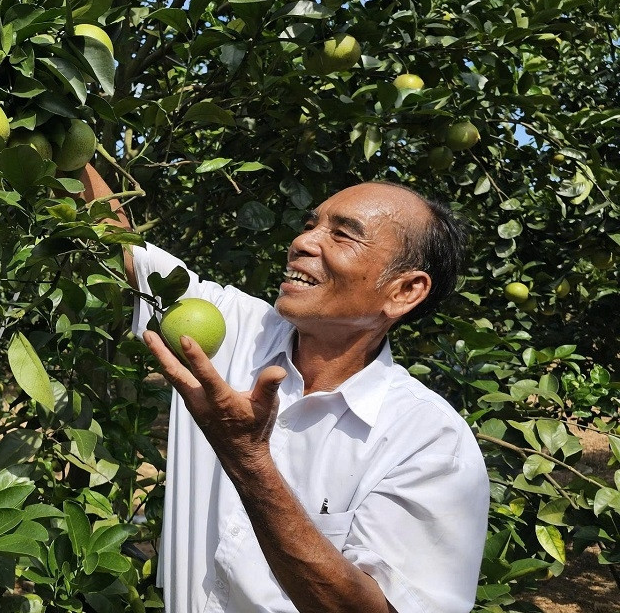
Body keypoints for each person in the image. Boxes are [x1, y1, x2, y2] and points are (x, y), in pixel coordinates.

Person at [80, 164, 490, 613]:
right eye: (311, 224)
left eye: (343, 234)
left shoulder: (429, 442)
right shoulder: (227, 327)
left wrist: (248, 459)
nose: (303, 241)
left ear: (405, 291)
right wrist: (61, 128)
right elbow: (117, 245)